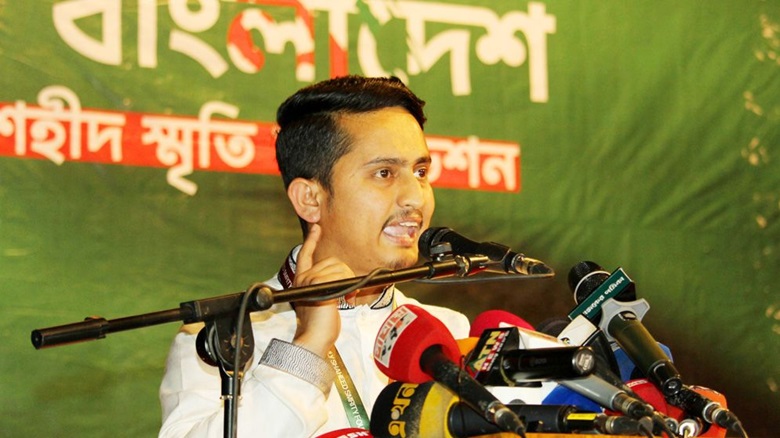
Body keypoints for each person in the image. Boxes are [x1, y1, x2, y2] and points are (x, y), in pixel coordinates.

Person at [158, 75, 470, 437]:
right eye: (384, 173)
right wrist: (306, 347)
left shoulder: (450, 333)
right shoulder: (225, 339)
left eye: (420, 172)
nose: (415, 198)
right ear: (310, 198)